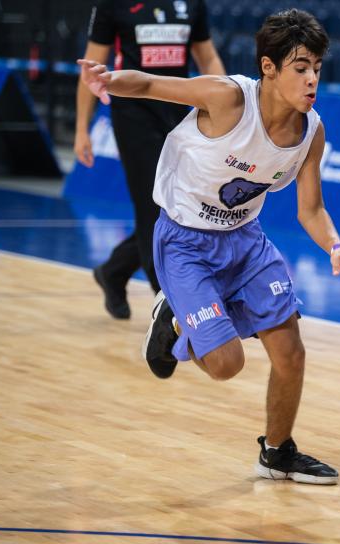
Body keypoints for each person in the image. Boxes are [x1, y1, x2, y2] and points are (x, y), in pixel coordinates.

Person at [78, 8, 340, 485]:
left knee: (291, 351)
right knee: (227, 364)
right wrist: (107, 79)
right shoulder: (228, 97)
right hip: (185, 242)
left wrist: (335, 246)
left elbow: (311, 211)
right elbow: (150, 85)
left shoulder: (311, 131)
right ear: (269, 69)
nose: (312, 78)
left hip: (245, 242)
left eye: (317, 67)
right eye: (301, 68)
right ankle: (172, 317)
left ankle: (277, 453)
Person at [75, 0, 226, 319]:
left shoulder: (192, 4)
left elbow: (207, 56)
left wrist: (228, 105)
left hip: (179, 115)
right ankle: (168, 305)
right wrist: (81, 128)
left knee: (177, 208)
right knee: (153, 207)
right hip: (133, 115)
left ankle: (114, 271)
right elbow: (92, 64)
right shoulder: (112, 6)